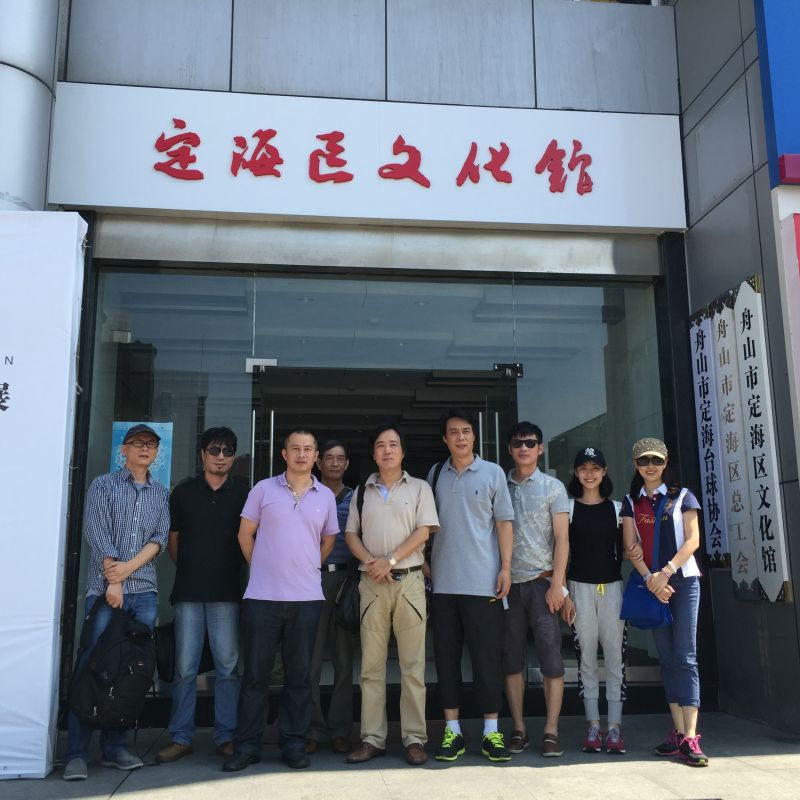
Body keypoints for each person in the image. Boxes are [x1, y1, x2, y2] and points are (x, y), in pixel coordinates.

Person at [222, 430, 339, 772]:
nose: (302, 454)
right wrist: (261, 565)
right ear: (284, 454)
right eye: (295, 449)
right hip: (262, 597)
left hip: (307, 598)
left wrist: (308, 564)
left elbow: (329, 540)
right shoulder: (262, 489)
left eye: (308, 449)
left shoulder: (325, 496)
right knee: (255, 676)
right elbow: (245, 534)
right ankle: (247, 745)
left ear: (315, 457)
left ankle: (294, 743)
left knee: (299, 677)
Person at [63, 424, 169, 781]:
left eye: (151, 444)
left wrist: (126, 573)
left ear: (157, 452)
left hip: (144, 592)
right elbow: (97, 531)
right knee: (92, 665)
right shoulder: (103, 485)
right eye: (137, 443)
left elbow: (158, 540)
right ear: (123, 450)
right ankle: (77, 753)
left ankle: (115, 748)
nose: (144, 448)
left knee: (130, 673)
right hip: (106, 589)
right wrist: (114, 580)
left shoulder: (160, 493)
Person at [344, 424, 439, 766]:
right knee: (371, 667)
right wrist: (373, 563)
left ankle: (414, 738)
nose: (387, 450)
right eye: (381, 445)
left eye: (393, 444)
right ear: (373, 454)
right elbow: (351, 534)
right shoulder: (362, 491)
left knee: (413, 666)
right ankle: (372, 738)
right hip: (372, 583)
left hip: (409, 581)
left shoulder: (420, 487)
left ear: (402, 451)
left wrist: (392, 560)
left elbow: (424, 531)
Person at [156, 427, 248, 764]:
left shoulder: (244, 493)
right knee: (184, 669)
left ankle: (226, 736)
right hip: (189, 593)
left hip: (227, 593)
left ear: (233, 457)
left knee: (227, 668)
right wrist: (193, 569)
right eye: (214, 450)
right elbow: (173, 541)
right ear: (202, 454)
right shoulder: (183, 492)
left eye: (227, 451)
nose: (220, 457)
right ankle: (181, 737)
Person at [428, 408, 514, 763]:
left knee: (486, 660)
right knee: (446, 660)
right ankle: (453, 731)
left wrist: (505, 568)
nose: (460, 437)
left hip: (484, 584)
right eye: (453, 432)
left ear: (474, 436)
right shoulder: (435, 474)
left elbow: (504, 523)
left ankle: (492, 732)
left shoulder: (493, 473)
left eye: (465, 431)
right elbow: (424, 526)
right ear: (444, 439)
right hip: (443, 585)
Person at [621, 437, 708, 767]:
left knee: (686, 656)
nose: (650, 466)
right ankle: (678, 732)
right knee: (668, 657)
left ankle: (691, 736)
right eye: (644, 461)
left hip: (683, 582)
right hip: (652, 585)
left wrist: (666, 572)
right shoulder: (631, 502)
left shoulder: (684, 497)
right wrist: (651, 580)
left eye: (656, 460)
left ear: (666, 462)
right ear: (635, 465)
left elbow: (693, 540)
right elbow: (631, 547)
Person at [503, 422, 570, 758]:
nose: (524, 448)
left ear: (540, 449)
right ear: (510, 449)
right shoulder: (499, 484)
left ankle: (551, 730)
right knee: (511, 660)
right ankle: (518, 728)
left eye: (530, 443)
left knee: (551, 660)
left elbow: (563, 539)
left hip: (544, 584)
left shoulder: (552, 487)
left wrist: (559, 584)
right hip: (508, 586)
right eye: (518, 443)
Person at [565, 446, 627, 755]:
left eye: (595, 468)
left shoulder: (617, 509)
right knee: (586, 658)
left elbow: (628, 549)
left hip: (612, 588)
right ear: (576, 473)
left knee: (615, 657)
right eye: (584, 468)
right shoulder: (568, 508)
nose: (589, 474)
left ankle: (614, 727)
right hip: (579, 587)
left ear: (604, 472)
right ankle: (593, 724)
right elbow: (561, 552)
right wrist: (564, 592)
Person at [306, 440, 356, 755]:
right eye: (329, 458)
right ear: (318, 462)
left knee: (343, 660)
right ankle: (312, 728)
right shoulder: (307, 493)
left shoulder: (356, 498)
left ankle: (340, 729)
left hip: (344, 583)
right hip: (310, 580)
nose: (335, 463)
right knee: (309, 661)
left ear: (347, 464)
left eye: (340, 458)